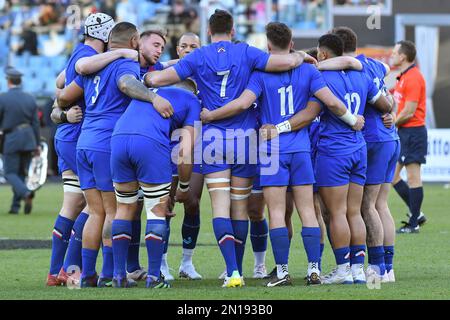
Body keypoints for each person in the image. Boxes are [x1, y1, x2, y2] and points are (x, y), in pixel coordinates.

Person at [145, 9, 316, 288]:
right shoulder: (247, 52)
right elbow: (280, 63)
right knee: (241, 209)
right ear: (233, 30)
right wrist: (300, 56)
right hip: (247, 140)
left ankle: (233, 272)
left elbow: (160, 78)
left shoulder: (198, 56)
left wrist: (146, 79)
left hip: (214, 140)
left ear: (209, 32)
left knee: (220, 209)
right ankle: (248, 268)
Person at [200, 22, 362, 286]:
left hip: (272, 150)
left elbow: (242, 103)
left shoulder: (261, 74)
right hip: (300, 149)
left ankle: (283, 272)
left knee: (276, 212)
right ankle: (314, 270)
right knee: (308, 211)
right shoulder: (309, 70)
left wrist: (211, 116)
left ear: (268, 47)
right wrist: (353, 119)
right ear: (292, 44)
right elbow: (330, 103)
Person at [57, 21, 173, 288]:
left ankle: (87, 275)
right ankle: (111, 274)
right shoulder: (126, 63)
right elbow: (126, 84)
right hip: (105, 143)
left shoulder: (95, 65)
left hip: (84, 143)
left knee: (94, 212)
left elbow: (64, 93)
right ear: (134, 40)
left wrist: (62, 110)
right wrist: (153, 98)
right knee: (114, 211)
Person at [313, 34, 393, 285]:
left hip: (333, 150)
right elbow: (384, 104)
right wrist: (389, 115)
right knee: (354, 211)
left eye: (318, 53)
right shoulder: (362, 75)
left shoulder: (321, 76)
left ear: (324, 54)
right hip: (359, 148)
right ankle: (360, 270)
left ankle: (343, 270)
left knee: (335, 213)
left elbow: (313, 111)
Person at [47, 12, 115, 287]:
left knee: (73, 204)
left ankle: (56, 272)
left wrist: (60, 114)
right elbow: (65, 92)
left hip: (67, 135)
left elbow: (59, 82)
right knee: (94, 205)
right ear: (105, 35)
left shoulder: (78, 51)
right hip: (79, 135)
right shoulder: (88, 56)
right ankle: (73, 269)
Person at [110, 80, 200, 288]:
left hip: (118, 139)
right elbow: (184, 152)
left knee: (124, 208)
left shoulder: (149, 91)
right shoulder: (192, 101)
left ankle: (118, 275)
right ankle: (153, 276)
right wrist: (184, 188)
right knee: (156, 209)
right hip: (148, 141)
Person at [331, 26, 398, 282]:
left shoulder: (352, 68)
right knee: (380, 204)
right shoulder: (375, 65)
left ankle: (377, 267)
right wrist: (391, 108)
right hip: (390, 139)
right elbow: (388, 84)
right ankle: (388, 268)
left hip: (371, 139)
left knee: (366, 205)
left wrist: (389, 107)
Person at [165, 32, 203, 281]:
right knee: (164, 205)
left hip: (199, 146)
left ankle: (186, 263)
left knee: (192, 202)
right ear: (177, 50)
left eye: (194, 46)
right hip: (167, 146)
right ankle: (161, 264)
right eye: (184, 46)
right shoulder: (166, 74)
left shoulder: (207, 75)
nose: (189, 49)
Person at [391, 40, 428, 234]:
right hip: (404, 132)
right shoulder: (403, 76)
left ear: (403, 56)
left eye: (394, 52)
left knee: (414, 178)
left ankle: (414, 222)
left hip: (413, 132)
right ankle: (417, 214)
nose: (392, 55)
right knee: (393, 177)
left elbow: (409, 111)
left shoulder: (413, 77)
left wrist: (391, 124)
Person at [0, 68, 39, 215]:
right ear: (20, 81)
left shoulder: (3, 98)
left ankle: (25, 193)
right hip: (29, 138)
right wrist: (36, 143)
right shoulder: (30, 98)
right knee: (21, 173)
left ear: (8, 81)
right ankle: (15, 207)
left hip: (12, 138)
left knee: (10, 173)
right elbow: (35, 123)